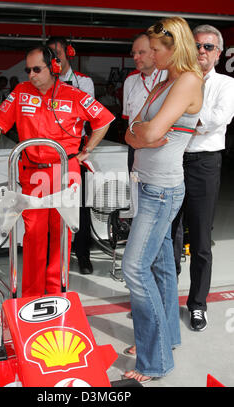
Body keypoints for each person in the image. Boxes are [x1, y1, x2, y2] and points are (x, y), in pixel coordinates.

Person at [0, 46, 114, 297]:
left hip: (65, 171)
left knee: (61, 233)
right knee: (34, 234)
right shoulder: (20, 92)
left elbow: (104, 120)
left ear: (54, 67)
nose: (31, 75)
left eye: (37, 69)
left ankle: (56, 291)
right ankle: (32, 294)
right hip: (32, 173)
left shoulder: (75, 95)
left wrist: (86, 149)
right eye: (28, 70)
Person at [121, 17, 203, 383]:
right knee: (159, 267)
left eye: (155, 49)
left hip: (162, 189)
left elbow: (150, 131)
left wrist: (144, 135)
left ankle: (153, 361)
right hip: (147, 184)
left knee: (134, 269)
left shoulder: (186, 80)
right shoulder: (164, 83)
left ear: (175, 47)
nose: (150, 55)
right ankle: (167, 337)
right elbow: (131, 132)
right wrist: (142, 136)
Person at [172, 25, 234, 331]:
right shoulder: (176, 80)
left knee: (199, 240)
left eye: (208, 47)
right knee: (167, 235)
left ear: (219, 54)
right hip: (173, 160)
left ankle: (197, 304)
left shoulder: (226, 84)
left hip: (204, 165)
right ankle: (167, 302)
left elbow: (215, 119)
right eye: (197, 46)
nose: (201, 52)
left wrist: (179, 116)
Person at [47, 36, 95, 275]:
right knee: (50, 205)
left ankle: (83, 254)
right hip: (47, 152)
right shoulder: (42, 81)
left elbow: (86, 113)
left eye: (58, 52)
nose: (55, 58)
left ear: (69, 53)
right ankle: (53, 256)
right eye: (50, 53)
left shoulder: (83, 82)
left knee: (80, 205)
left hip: (75, 151)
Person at [122, 33, 167, 173]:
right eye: (134, 53)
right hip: (134, 147)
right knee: (135, 190)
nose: (135, 57)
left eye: (141, 52)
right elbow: (127, 119)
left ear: (154, 52)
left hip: (162, 148)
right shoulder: (130, 81)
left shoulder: (170, 77)